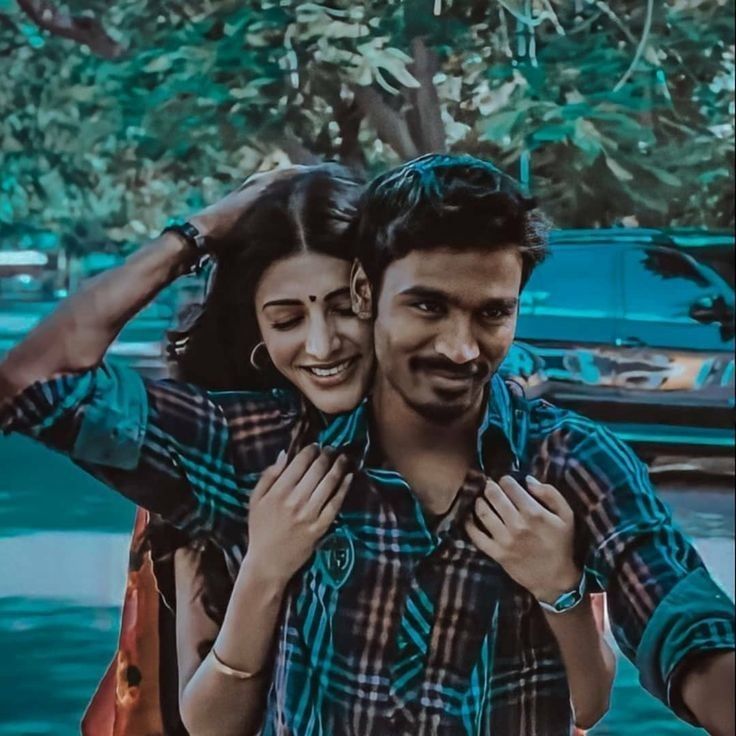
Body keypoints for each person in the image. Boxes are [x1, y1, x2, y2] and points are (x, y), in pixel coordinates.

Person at [1, 154, 733, 735]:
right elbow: (33, 384)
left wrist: (565, 592)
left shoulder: (568, 466)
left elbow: (678, 619)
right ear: (368, 291)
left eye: (491, 314)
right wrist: (202, 230)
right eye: (425, 305)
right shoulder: (261, 455)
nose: (458, 347)